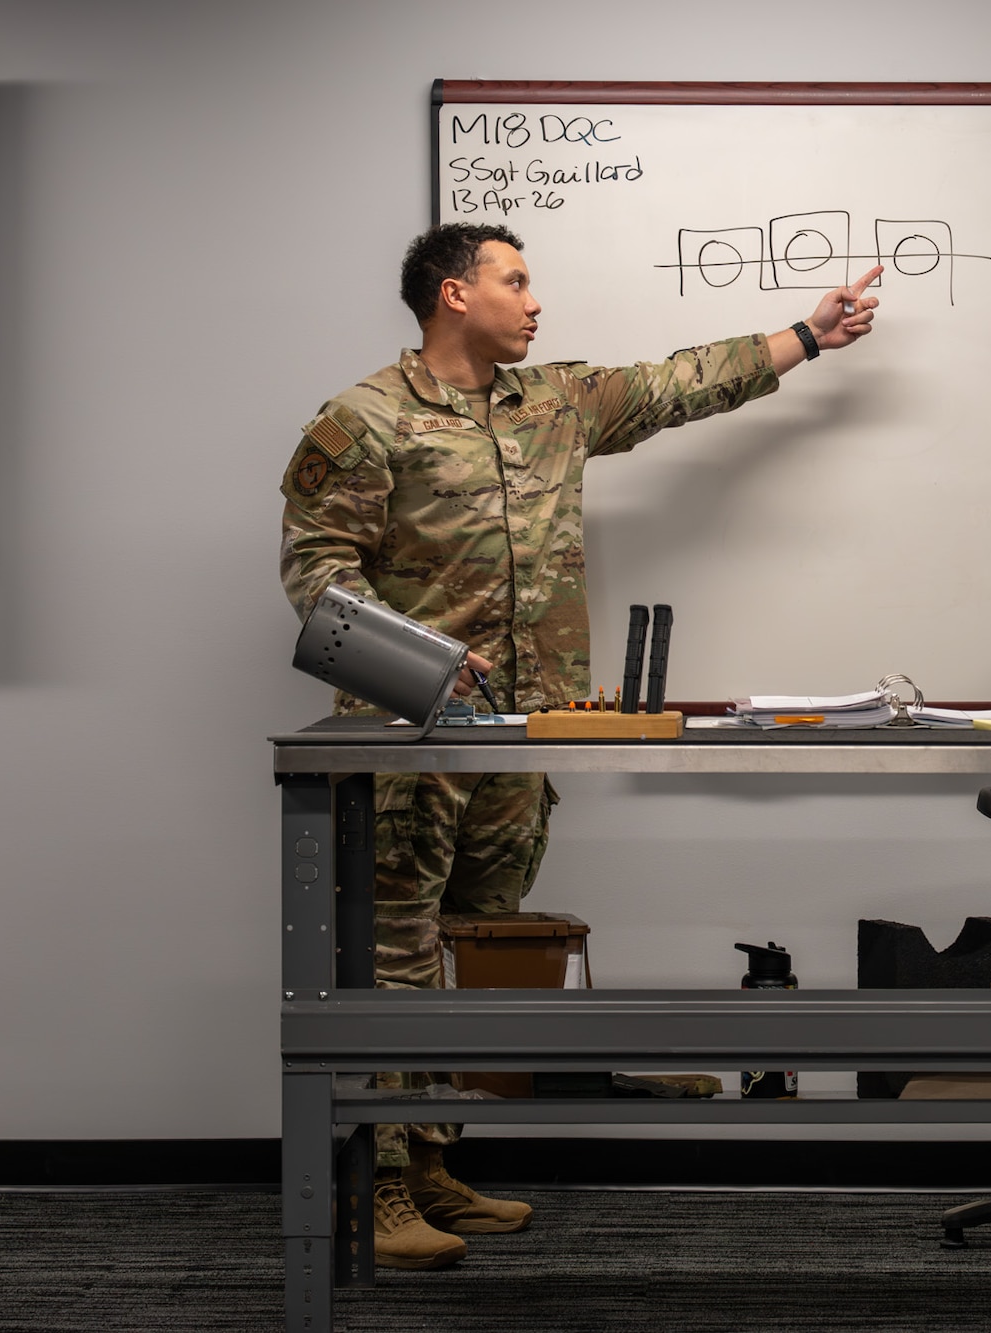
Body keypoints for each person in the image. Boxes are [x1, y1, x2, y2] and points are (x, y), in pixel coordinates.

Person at [280, 222, 881, 1269]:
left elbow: (676, 384)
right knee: (388, 968)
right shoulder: (366, 419)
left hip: (520, 740)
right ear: (454, 294)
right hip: (409, 746)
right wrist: (422, 660)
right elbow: (318, 575)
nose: (535, 300)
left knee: (478, 956)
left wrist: (806, 335)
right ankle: (371, 1188)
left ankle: (432, 1168)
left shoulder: (550, 403)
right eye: (515, 280)